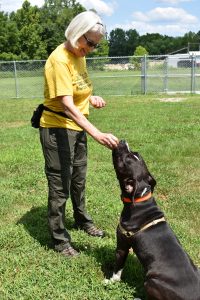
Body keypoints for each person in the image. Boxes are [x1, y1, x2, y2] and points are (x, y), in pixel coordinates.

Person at [39, 10, 119, 257]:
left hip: (77, 127)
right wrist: (97, 133)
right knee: (60, 184)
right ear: (76, 33)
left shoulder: (78, 55)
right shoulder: (59, 59)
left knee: (78, 179)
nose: (92, 48)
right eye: (90, 42)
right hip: (58, 129)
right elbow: (66, 104)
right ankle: (60, 239)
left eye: (96, 44)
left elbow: (77, 93)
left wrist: (90, 98)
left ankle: (83, 220)